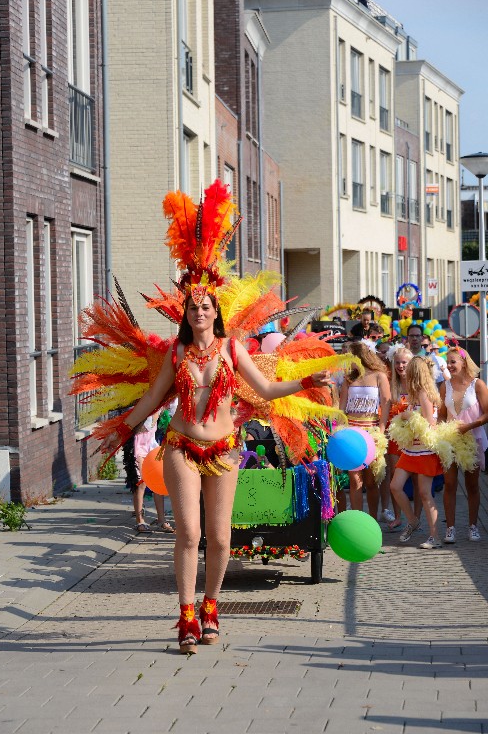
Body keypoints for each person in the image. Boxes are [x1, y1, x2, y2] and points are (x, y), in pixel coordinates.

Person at [89, 181, 340, 655]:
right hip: (182, 446)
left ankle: (210, 605)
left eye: (206, 305)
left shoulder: (232, 348)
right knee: (190, 533)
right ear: (184, 312)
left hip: (224, 449)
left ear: (215, 310)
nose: (200, 311)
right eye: (193, 306)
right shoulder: (176, 353)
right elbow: (153, 400)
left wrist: (305, 383)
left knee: (221, 538)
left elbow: (265, 389)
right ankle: (185, 616)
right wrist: (120, 429)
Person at [390, 356, 444, 549]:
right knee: (395, 486)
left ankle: (435, 536)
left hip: (425, 449)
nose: (405, 372)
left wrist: (407, 415)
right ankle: (413, 521)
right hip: (411, 449)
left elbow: (430, 423)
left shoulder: (423, 393)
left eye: (410, 370)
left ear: (416, 373)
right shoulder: (414, 394)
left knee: (424, 493)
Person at [439, 346, 488, 543]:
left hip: (472, 439)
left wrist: (469, 426)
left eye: (453, 361)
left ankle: (473, 526)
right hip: (450, 440)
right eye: (448, 362)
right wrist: (440, 430)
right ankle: (450, 529)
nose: (449, 365)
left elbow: (486, 414)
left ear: (463, 362)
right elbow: (442, 414)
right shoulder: (445, 386)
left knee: (472, 485)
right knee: (449, 484)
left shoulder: (478, 385)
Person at [339, 341, 391, 518]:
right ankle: (357, 519)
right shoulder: (348, 379)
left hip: (372, 430)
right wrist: (341, 429)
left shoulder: (379, 376)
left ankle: (373, 519)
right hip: (352, 432)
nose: (348, 361)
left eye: (350, 357)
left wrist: (381, 429)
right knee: (355, 480)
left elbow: (386, 402)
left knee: (371, 480)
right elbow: (342, 408)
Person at [385, 345, 421, 531]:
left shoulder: (418, 385)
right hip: (396, 439)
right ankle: (399, 516)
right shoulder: (392, 385)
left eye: (404, 362)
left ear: (411, 363)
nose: (400, 366)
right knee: (394, 478)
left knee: (417, 479)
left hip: (416, 439)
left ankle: (417, 517)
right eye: (397, 362)